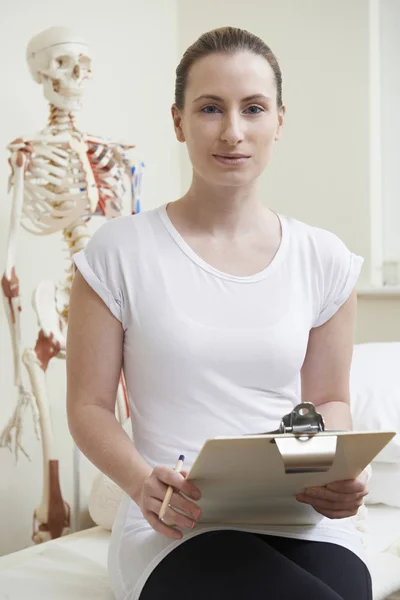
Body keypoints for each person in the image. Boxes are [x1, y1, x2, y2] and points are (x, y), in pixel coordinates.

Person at [66, 26, 371, 600]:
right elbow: (87, 406)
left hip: (303, 521)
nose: (233, 131)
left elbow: (329, 400)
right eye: (210, 108)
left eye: (253, 108)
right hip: (174, 525)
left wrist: (334, 472)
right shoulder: (118, 253)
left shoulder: (324, 258)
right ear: (179, 121)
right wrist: (139, 482)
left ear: (280, 119)